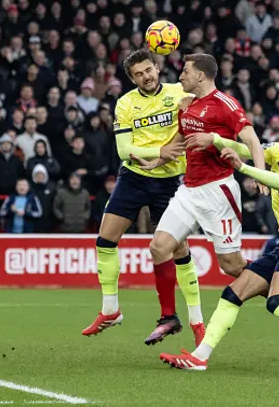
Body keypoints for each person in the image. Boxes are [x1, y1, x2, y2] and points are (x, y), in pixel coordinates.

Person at [159, 117, 279, 372]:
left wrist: (243, 168)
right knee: (232, 294)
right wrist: (216, 140)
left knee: (276, 302)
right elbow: (247, 148)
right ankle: (200, 357)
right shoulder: (278, 152)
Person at [135, 53, 268, 345]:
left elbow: (253, 141)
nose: (180, 76)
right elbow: (179, 144)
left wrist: (259, 174)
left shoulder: (226, 105)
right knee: (159, 247)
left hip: (218, 192)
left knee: (232, 267)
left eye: (185, 71)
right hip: (189, 190)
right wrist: (154, 161)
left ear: (202, 76)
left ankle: (277, 296)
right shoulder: (187, 105)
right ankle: (169, 317)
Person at [82, 50, 203, 346]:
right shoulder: (125, 104)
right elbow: (125, 150)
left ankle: (197, 321)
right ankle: (110, 310)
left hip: (171, 182)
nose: (146, 76)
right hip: (134, 178)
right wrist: (159, 151)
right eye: (139, 74)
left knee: (179, 249)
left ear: (158, 67)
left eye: (149, 70)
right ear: (132, 78)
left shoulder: (179, 92)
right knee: (105, 240)